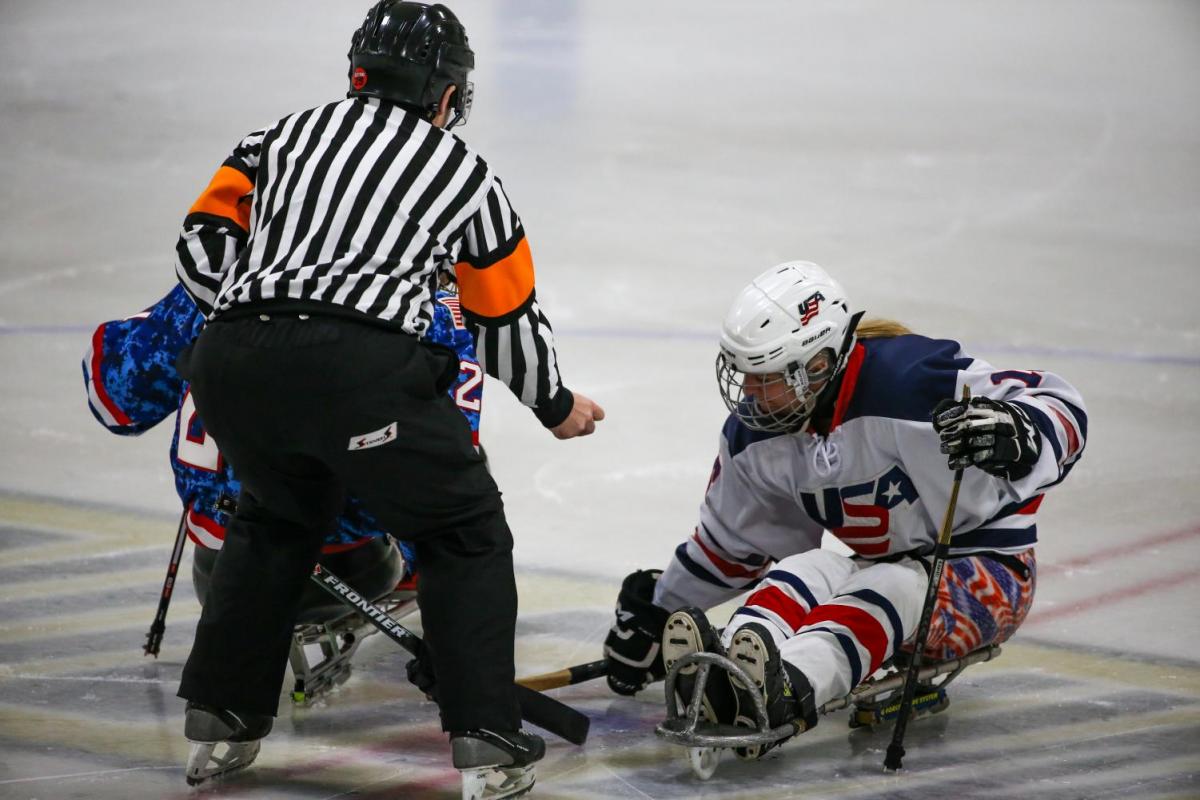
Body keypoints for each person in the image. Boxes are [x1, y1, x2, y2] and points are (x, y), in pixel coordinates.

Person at [167, 0, 603, 790]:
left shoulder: (281, 135)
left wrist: (258, 315)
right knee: (463, 530)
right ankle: (484, 738)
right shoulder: (462, 171)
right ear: (445, 95)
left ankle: (221, 716)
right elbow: (502, 315)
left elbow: (198, 243)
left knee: (274, 518)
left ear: (359, 74)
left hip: (230, 365)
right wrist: (553, 404)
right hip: (359, 373)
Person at [602, 260, 1085, 757]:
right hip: (880, 570)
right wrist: (659, 610)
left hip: (986, 575)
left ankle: (789, 687)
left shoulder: (911, 381)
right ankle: (733, 673)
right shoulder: (758, 436)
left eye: (764, 376)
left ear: (817, 365)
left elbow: (1060, 403)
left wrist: (1019, 432)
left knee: (892, 585)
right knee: (807, 568)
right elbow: (734, 544)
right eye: (744, 373)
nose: (747, 392)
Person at [82, 284, 482, 700]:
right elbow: (443, 476)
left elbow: (114, 401)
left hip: (221, 562)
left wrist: (168, 320)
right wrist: (451, 624)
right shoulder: (425, 306)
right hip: (343, 561)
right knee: (452, 455)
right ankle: (417, 578)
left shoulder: (220, 276)